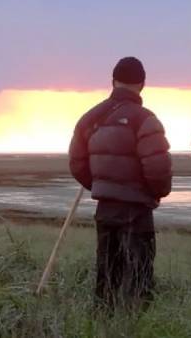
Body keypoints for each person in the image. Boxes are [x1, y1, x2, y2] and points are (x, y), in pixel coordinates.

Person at [68, 56, 173, 308]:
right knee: (139, 278)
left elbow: (77, 163)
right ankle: (135, 327)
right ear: (142, 84)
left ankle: (103, 325)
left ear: (113, 81)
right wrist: (155, 193)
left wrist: (102, 186)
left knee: (107, 276)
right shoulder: (145, 119)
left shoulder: (89, 119)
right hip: (137, 210)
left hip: (105, 209)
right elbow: (159, 168)